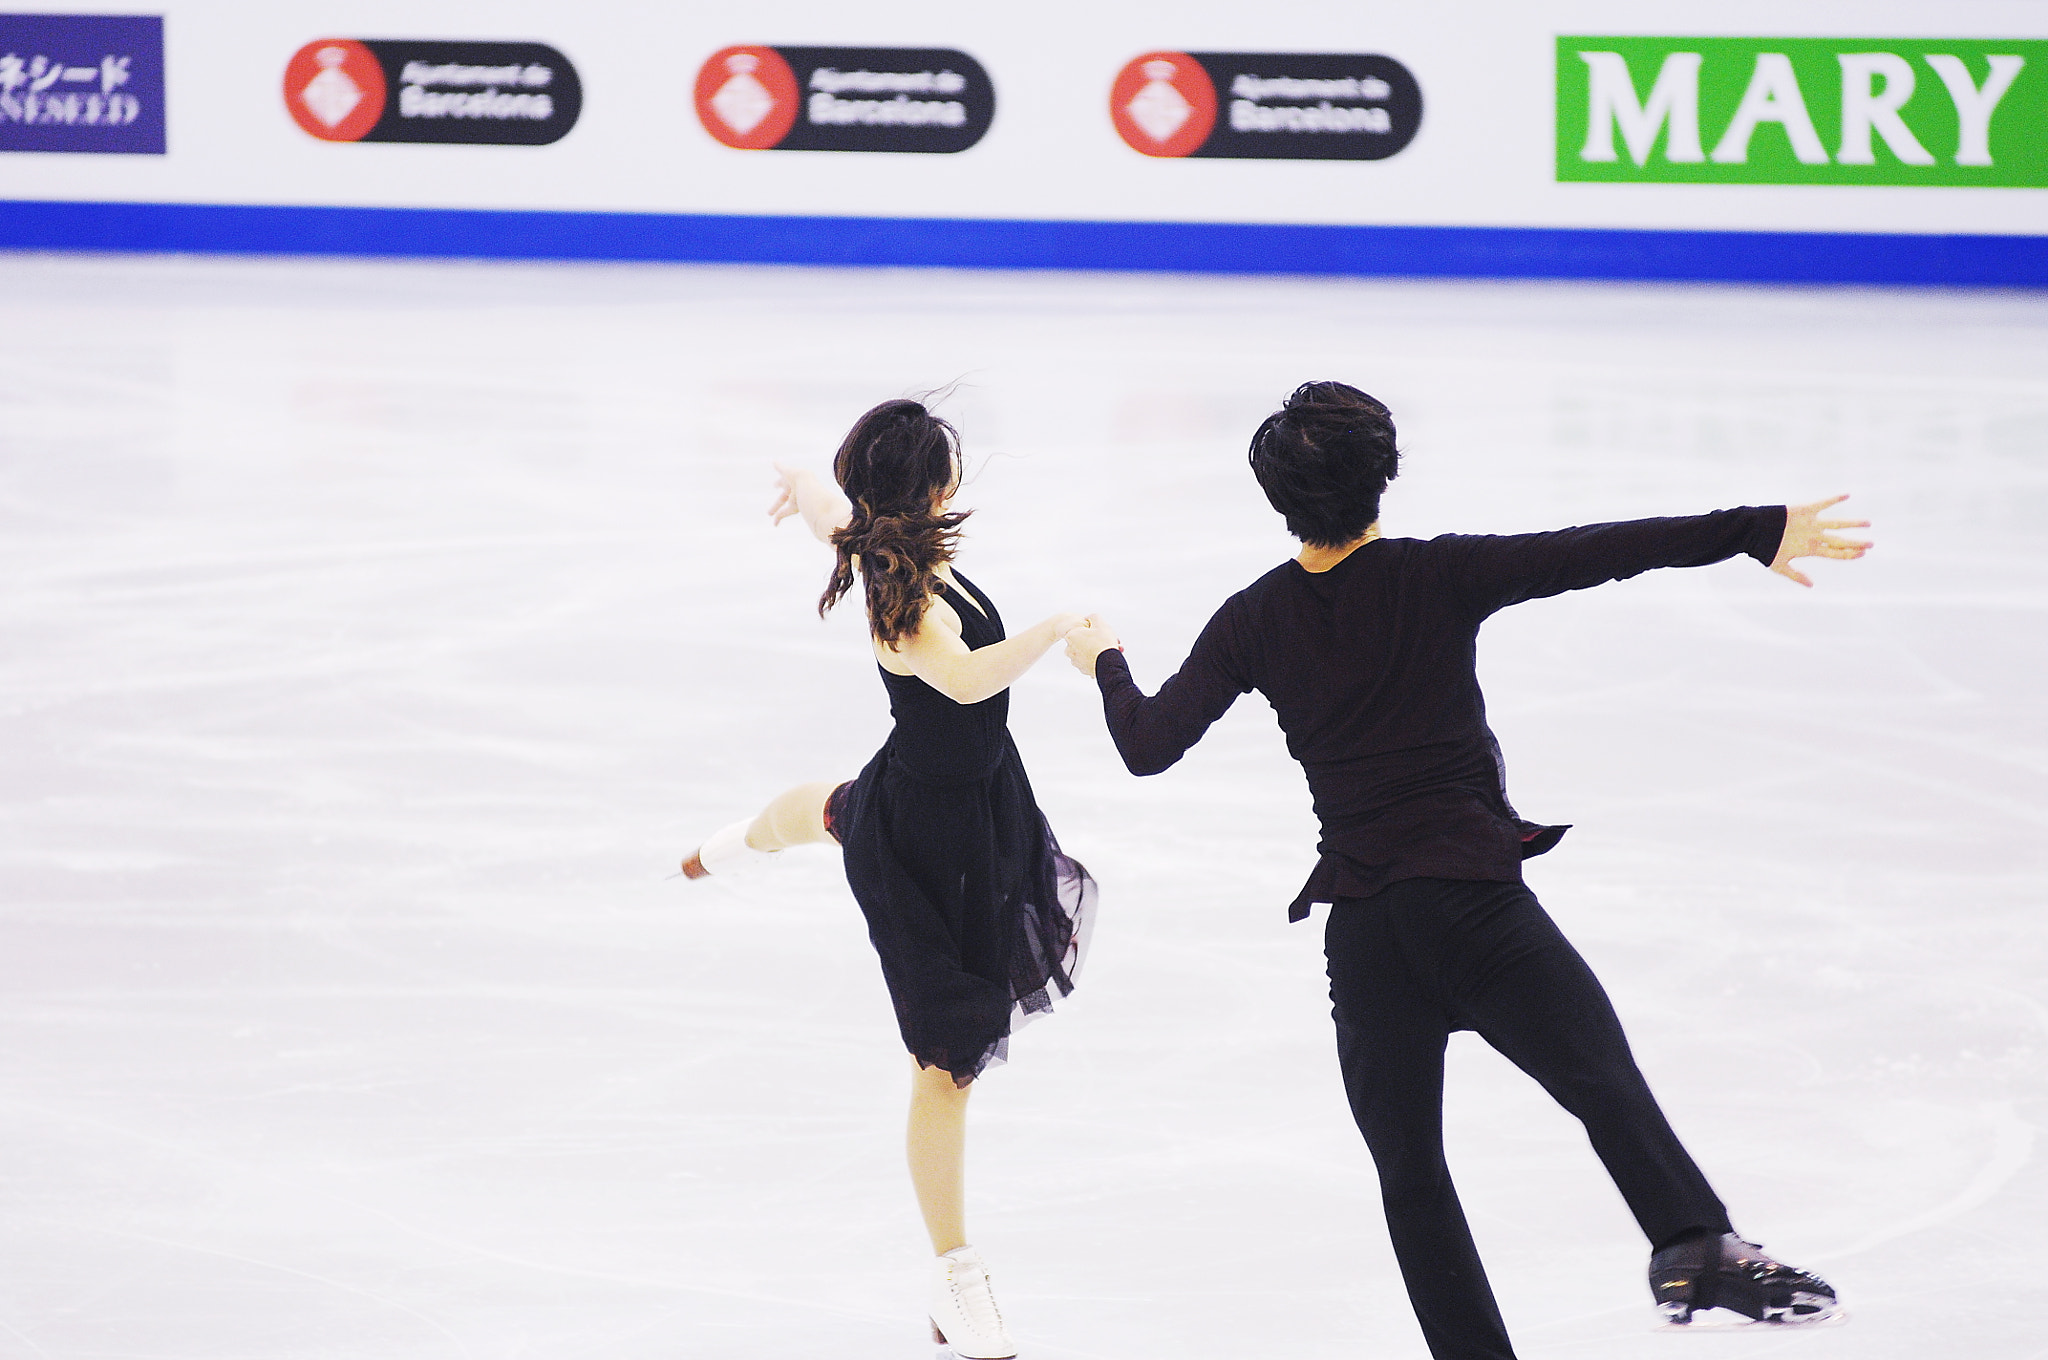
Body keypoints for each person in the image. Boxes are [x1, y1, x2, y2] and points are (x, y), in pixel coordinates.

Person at [1061, 381, 1867, 1359]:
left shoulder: (1253, 618)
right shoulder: (1436, 575)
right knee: (1597, 1076)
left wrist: (1103, 660)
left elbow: (1145, 742)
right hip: (1469, 905)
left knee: (1410, 1175)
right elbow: (1599, 550)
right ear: (1380, 480)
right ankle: (1691, 1246)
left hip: (1363, 933)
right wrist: (1754, 528)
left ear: (1277, 498)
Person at [681, 398, 1096, 1360]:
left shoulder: (880, 548)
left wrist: (802, 486)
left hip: (973, 805)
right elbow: (965, 681)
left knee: (832, 810)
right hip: (925, 839)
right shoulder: (901, 604)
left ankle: (736, 841)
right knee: (944, 1064)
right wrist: (1054, 631)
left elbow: (835, 513)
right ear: (939, 490)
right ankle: (958, 1282)